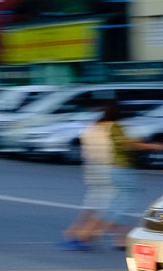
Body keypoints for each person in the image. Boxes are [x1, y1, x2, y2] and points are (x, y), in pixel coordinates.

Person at [61, 100, 160, 250]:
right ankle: (86, 234)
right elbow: (127, 143)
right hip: (115, 168)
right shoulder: (113, 127)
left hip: (96, 169)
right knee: (117, 203)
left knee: (107, 203)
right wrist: (154, 146)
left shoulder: (93, 127)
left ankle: (118, 238)